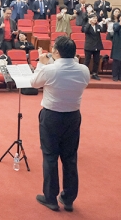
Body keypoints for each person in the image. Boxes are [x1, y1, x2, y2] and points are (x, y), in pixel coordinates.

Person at [30, 36, 90, 212]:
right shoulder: (84, 70)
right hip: (73, 116)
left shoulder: (50, 69)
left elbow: (34, 83)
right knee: (70, 157)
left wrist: (41, 64)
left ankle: (50, 198)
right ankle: (68, 198)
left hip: (52, 116)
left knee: (50, 156)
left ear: (56, 52)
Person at [82, 14, 105, 81]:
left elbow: (103, 30)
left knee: (96, 61)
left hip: (97, 45)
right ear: (90, 19)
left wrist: (103, 23)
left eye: (96, 18)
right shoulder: (86, 25)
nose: (95, 19)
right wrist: (89, 23)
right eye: (93, 18)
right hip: (89, 46)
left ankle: (95, 74)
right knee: (87, 60)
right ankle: (84, 74)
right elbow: (85, 30)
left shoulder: (97, 26)